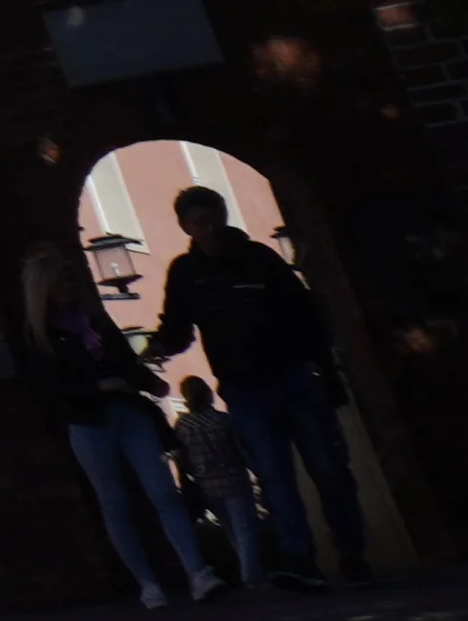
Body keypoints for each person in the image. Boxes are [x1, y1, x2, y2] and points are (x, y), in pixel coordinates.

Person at [145, 190, 373, 591]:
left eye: (212, 218)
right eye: (199, 221)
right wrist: (160, 347)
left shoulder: (260, 259)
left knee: (328, 469)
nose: (209, 227)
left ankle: (351, 553)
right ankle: (299, 559)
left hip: (292, 375)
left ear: (224, 215)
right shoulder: (186, 273)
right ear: (185, 226)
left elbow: (307, 316)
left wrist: (326, 372)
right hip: (243, 385)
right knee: (273, 474)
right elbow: (178, 326)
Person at [20, 242, 213, 610]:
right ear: (45, 291)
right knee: (114, 503)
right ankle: (147, 583)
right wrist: (96, 387)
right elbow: (50, 387)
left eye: (72, 281)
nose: (71, 289)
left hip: (128, 411)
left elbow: (123, 360)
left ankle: (197, 571)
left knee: (163, 492)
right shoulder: (40, 337)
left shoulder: (95, 320)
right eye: (63, 284)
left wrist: (148, 381)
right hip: (89, 421)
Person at [167, 373, 264, 592]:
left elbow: (182, 456)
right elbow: (241, 449)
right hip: (234, 479)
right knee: (245, 529)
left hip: (206, 484)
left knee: (231, 529)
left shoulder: (182, 425)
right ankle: (251, 576)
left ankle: (248, 573)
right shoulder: (223, 420)